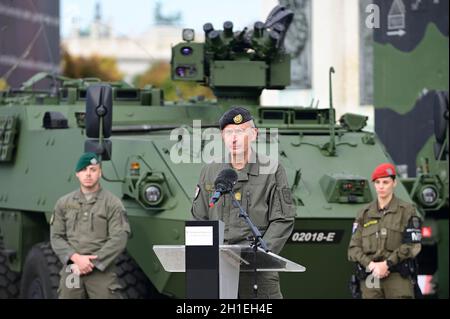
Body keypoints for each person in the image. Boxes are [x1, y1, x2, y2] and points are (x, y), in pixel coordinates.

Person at [191, 106, 296, 299]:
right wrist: (202, 261)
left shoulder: (272, 170)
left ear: (254, 134)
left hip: (257, 269)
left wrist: (262, 253)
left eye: (240, 132)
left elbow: (283, 218)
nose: (234, 138)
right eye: (228, 132)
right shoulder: (210, 171)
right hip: (219, 267)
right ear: (222, 136)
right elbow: (200, 218)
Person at [50, 152, 130, 299]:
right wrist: (75, 259)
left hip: (101, 270)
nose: (88, 174)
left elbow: (119, 238)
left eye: (93, 170)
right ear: (77, 174)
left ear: (100, 173)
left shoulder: (112, 203)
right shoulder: (64, 203)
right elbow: (56, 237)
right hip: (72, 268)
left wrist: (92, 262)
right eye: (83, 170)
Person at [348, 163, 422, 299]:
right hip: (371, 276)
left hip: (397, 276)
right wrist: (371, 265)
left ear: (394, 183)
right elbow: (353, 249)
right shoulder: (364, 214)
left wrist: (387, 264)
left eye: (385, 182)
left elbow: (412, 245)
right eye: (377, 182)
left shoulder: (407, 211)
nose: (381, 186)